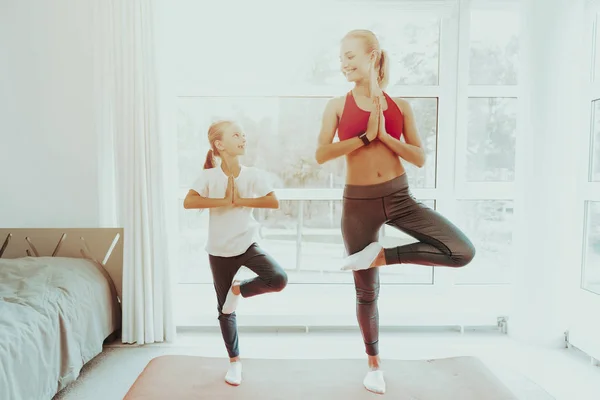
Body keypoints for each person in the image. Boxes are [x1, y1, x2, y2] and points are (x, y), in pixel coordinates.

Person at [315, 29, 476, 395]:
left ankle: (384, 256)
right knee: (366, 291)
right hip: (358, 204)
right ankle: (374, 365)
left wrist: (384, 134)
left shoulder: (401, 106)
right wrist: (362, 138)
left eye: (350, 56)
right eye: (340, 58)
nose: (343, 63)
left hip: (400, 197)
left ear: (372, 57)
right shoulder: (337, 105)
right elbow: (321, 153)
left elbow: (418, 157)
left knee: (461, 251)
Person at [183, 120, 288, 386]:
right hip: (218, 251)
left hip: (247, 244)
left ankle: (238, 289)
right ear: (219, 144)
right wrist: (223, 201)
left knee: (278, 279)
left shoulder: (253, 174)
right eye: (236, 135)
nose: (243, 138)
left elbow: (272, 201)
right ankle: (234, 362)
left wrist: (239, 200)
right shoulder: (208, 176)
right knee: (225, 311)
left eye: (243, 134)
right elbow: (189, 201)